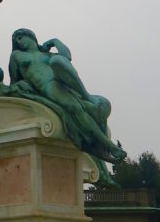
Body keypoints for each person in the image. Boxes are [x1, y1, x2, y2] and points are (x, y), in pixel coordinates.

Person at [8, 29, 126, 163]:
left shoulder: (46, 54)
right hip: (48, 86)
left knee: (58, 60)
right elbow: (14, 82)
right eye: (16, 40)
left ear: (31, 37)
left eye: (20, 37)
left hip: (62, 82)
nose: (18, 41)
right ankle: (109, 146)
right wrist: (20, 84)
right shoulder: (16, 56)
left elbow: (67, 57)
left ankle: (86, 96)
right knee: (76, 108)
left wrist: (55, 41)